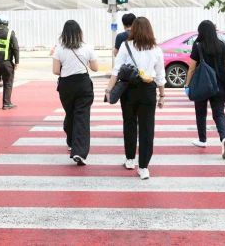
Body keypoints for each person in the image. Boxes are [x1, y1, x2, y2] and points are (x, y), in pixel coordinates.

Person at [105, 17, 166, 180]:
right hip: (148, 89)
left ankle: (130, 160)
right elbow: (160, 75)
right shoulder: (156, 49)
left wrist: (109, 89)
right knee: (147, 128)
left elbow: (116, 70)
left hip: (129, 90)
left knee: (129, 123)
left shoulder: (125, 46)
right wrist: (162, 95)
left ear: (133, 29)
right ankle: (144, 167)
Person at [184, 20, 225, 159]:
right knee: (219, 114)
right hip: (219, 86)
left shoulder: (198, 46)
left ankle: (202, 140)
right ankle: (224, 139)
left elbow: (191, 68)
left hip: (202, 84)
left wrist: (187, 85)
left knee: (201, 113)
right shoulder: (221, 45)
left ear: (201, 32)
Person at [52, 20, 99, 166]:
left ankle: (71, 141)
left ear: (64, 34)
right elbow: (95, 68)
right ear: (80, 33)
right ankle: (79, 152)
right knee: (82, 117)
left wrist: (67, 67)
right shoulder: (88, 47)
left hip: (66, 86)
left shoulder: (59, 49)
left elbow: (55, 71)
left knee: (70, 113)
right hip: (83, 84)